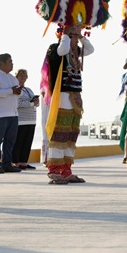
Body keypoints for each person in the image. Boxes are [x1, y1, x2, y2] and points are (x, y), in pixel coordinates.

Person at [43, 25, 94, 184]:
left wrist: (80, 36)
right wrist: (66, 33)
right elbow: (62, 50)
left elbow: (90, 49)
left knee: (71, 135)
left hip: (75, 98)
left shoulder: (76, 51)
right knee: (60, 134)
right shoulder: (55, 49)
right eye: (74, 36)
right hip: (62, 97)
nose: (77, 39)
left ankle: (66, 171)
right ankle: (54, 171)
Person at [0, 54, 21, 174]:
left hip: (13, 113)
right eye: (9, 61)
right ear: (1, 63)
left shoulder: (13, 78)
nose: (12, 64)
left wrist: (18, 92)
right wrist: (11, 91)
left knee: (10, 141)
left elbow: (17, 93)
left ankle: (7, 164)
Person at [12, 69, 39, 170]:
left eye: (25, 76)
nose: (23, 78)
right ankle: (16, 162)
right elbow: (18, 103)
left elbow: (35, 104)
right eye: (21, 76)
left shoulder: (28, 90)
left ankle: (24, 162)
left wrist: (35, 101)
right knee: (19, 142)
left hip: (31, 119)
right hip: (21, 120)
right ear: (16, 77)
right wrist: (32, 103)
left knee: (28, 142)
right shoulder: (16, 90)